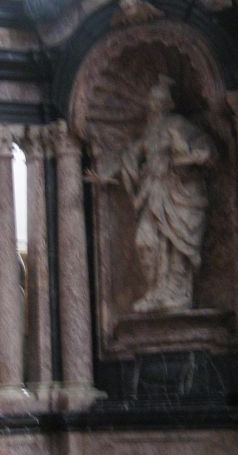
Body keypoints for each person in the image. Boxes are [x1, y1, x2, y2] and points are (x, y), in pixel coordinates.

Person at [91, 75, 215, 313]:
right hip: (153, 192)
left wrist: (195, 155)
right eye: (152, 101)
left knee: (176, 244)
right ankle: (156, 290)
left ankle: (176, 292)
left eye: (158, 101)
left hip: (179, 193)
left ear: (167, 104)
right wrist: (105, 175)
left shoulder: (177, 125)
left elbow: (206, 146)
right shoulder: (150, 131)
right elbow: (130, 156)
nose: (154, 105)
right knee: (145, 242)